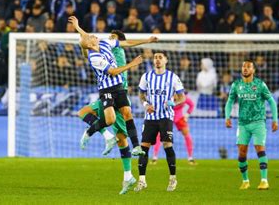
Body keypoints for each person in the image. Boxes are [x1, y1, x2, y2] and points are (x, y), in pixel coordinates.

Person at [69, 16, 156, 156]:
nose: (93, 35)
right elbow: (113, 72)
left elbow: (125, 42)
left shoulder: (104, 43)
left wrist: (147, 40)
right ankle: (90, 132)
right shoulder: (94, 58)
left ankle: (136, 147)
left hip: (119, 87)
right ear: (90, 44)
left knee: (128, 113)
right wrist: (132, 64)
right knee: (110, 120)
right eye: (91, 37)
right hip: (107, 90)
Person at [134, 52, 186, 192]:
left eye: (160, 57)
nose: (157, 60)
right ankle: (142, 180)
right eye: (155, 57)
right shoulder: (146, 76)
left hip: (165, 117)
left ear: (166, 60)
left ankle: (172, 179)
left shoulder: (173, 77)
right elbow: (141, 94)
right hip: (150, 117)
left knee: (167, 145)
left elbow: (182, 97)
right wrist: (145, 105)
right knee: (143, 148)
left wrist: (172, 102)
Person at [225, 59, 279, 190]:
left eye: (248, 67)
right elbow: (230, 101)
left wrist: (275, 120)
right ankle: (245, 181)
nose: (245, 68)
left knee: (260, 149)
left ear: (253, 70)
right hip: (242, 124)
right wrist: (227, 117)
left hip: (258, 122)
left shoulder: (260, 84)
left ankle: (264, 181)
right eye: (243, 66)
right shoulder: (236, 85)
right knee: (242, 152)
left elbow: (271, 101)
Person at [152, 95, 196, 165]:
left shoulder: (183, 97)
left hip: (179, 118)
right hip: (168, 117)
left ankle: (190, 158)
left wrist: (187, 114)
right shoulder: (167, 97)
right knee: (159, 135)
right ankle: (154, 157)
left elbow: (192, 105)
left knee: (187, 135)